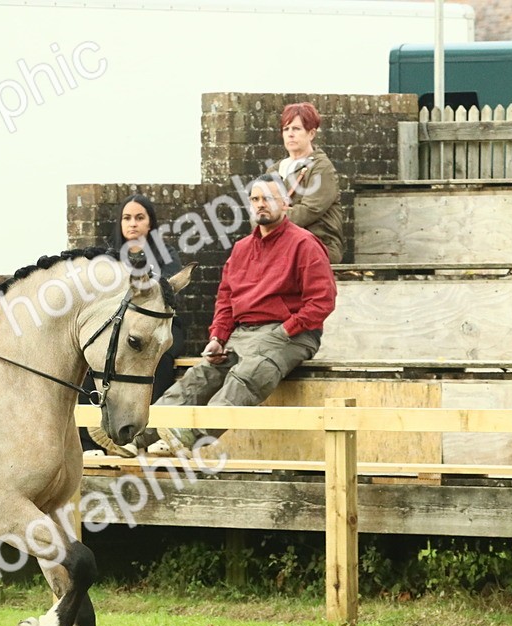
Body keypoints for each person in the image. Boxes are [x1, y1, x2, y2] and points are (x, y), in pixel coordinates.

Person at [133, 174, 336, 455]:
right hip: (242, 334)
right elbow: (226, 300)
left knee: (248, 374)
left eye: (268, 198)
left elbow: (322, 301)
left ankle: (186, 439)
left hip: (291, 333)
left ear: (285, 203)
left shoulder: (305, 244)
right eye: (255, 199)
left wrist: (286, 330)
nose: (261, 204)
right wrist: (217, 338)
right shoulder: (241, 249)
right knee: (199, 376)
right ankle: (138, 436)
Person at [80, 194, 188, 457]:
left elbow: (167, 289)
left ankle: (141, 437)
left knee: (158, 360)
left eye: (139, 218)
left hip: (160, 327)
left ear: (150, 224)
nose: (133, 223)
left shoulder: (165, 254)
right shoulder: (108, 257)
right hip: (117, 328)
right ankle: (88, 442)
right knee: (89, 362)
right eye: (127, 218)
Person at [277, 101, 344, 264]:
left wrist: (272, 218)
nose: (290, 134)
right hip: (281, 244)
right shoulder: (274, 170)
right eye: (286, 129)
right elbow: (257, 210)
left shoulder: (321, 168)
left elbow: (309, 211)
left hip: (319, 245)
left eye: (296, 129)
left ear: (311, 134)